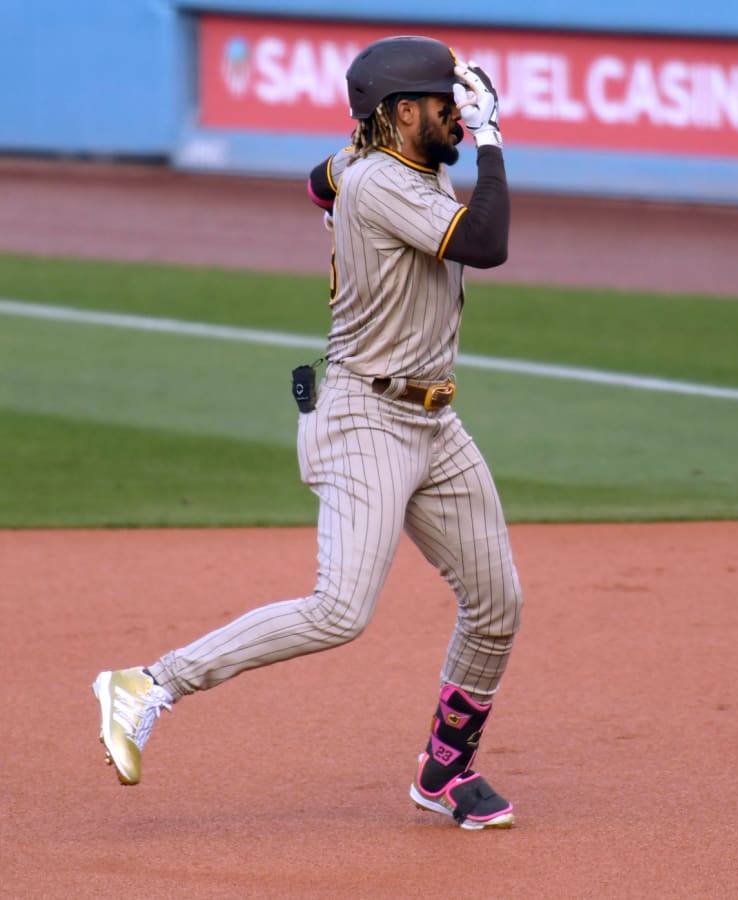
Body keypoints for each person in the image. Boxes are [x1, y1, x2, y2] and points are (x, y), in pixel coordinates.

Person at [92, 36, 522, 830]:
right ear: (399, 115)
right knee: (340, 609)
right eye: (443, 103)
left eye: (460, 103)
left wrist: (359, 173)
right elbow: (487, 244)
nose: (457, 114)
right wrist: (493, 139)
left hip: (434, 421)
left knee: (497, 602)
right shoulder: (385, 183)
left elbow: (317, 183)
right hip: (365, 414)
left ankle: (445, 772)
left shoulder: (372, 164)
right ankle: (150, 683)